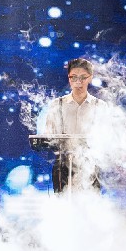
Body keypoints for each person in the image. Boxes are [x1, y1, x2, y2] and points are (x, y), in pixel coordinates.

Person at [37, 57, 112, 194]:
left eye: (83, 77)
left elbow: (106, 137)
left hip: (91, 165)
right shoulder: (57, 105)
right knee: (64, 206)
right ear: (69, 78)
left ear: (90, 78)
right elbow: (48, 136)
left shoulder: (100, 106)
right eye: (74, 77)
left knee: (90, 206)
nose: (78, 82)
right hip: (62, 165)